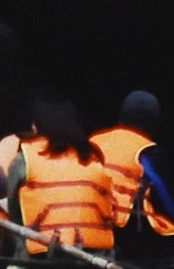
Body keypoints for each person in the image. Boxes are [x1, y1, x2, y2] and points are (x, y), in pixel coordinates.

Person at [16, 101, 120, 250]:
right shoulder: (94, 156)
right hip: (95, 254)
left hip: (42, 256)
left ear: (40, 125)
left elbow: (14, 212)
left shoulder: (25, 157)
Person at [91, 91, 174, 243]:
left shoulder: (92, 141)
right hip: (122, 233)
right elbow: (167, 200)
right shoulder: (148, 152)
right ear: (155, 125)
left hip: (88, 226)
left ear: (120, 118)